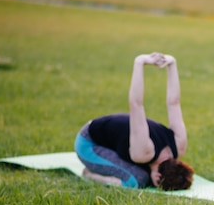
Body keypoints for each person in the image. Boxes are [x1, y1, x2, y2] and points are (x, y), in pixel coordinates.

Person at [74, 52, 194, 190]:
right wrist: (139, 62)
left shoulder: (179, 146)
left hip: (107, 132)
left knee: (142, 176)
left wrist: (172, 63)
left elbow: (174, 103)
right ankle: (89, 174)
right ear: (157, 179)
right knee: (136, 180)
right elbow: (136, 104)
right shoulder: (144, 152)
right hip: (89, 143)